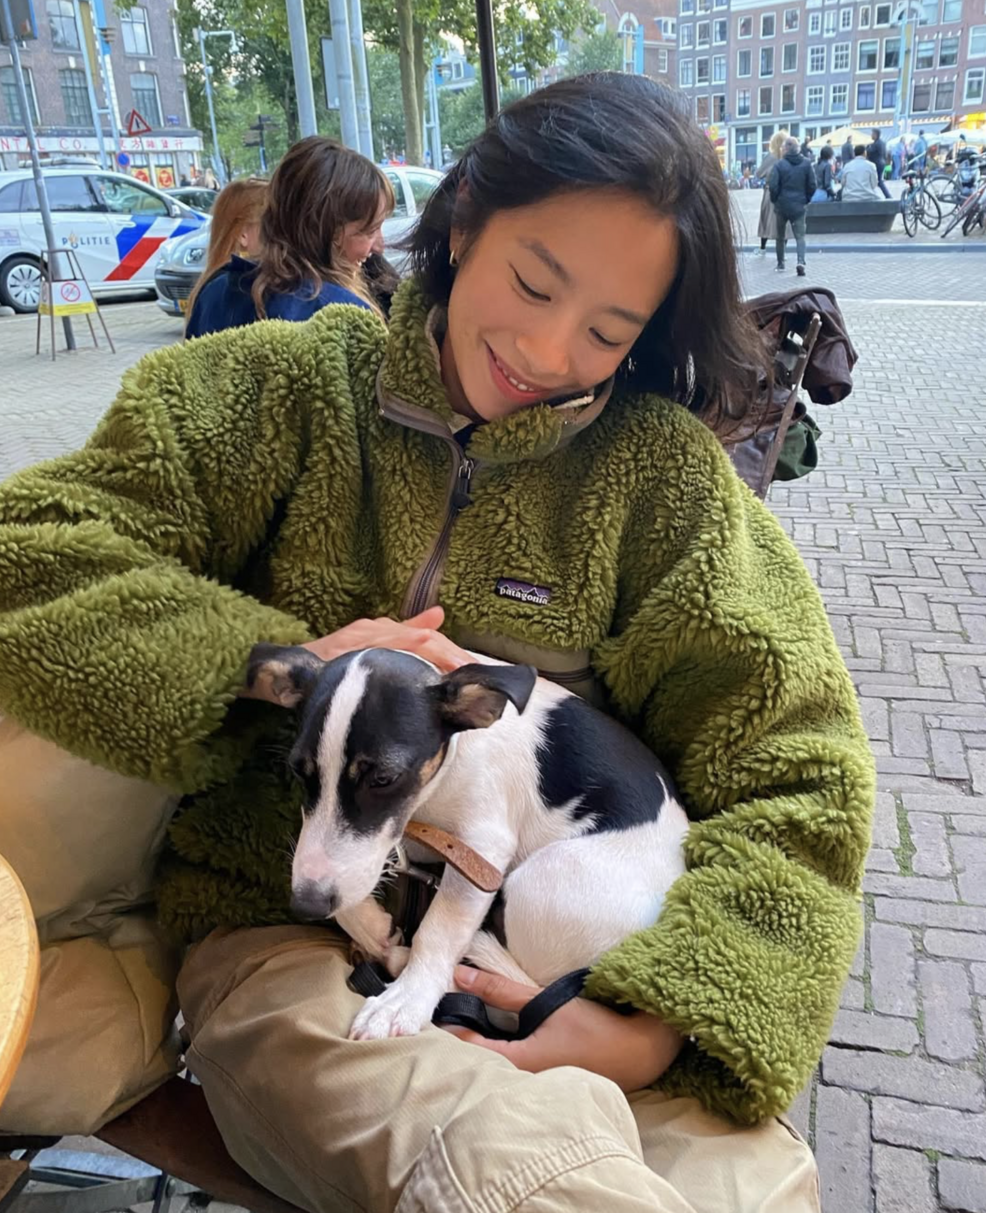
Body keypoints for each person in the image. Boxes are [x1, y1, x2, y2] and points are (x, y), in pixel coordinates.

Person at [0, 74, 874, 1213]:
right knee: (522, 1182)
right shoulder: (283, 390)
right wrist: (269, 667)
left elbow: (801, 774)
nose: (546, 350)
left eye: (608, 331)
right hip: (291, 944)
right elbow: (32, 553)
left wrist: (664, 1017)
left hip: (591, 977)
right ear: (462, 222)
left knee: (745, 1190)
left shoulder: (665, 485)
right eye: (533, 282)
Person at [185, 137, 393, 338]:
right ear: (329, 230)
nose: (379, 246)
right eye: (370, 230)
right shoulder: (346, 317)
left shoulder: (213, 294)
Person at [183, 177, 268, 331]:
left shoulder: (211, 287)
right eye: (270, 222)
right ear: (243, 234)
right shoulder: (236, 289)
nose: (281, 233)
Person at [769, 135, 816, 275]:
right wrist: (806, 199)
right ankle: (801, 261)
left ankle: (780, 264)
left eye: (783, 147)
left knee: (780, 236)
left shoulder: (779, 165)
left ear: (786, 149)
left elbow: (773, 186)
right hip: (799, 205)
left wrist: (775, 200)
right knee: (800, 236)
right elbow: (812, 185)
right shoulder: (806, 164)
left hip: (782, 205)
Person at [754, 128, 789, 256]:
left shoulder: (770, 157)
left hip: (770, 192)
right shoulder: (790, 158)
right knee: (784, 222)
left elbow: (758, 174)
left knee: (766, 219)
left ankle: (762, 248)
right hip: (786, 193)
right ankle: (782, 252)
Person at [867, 128, 891, 198]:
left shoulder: (876, 144)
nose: (871, 135)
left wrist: (867, 148)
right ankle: (887, 196)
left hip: (877, 164)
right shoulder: (882, 143)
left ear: (876, 134)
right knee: (877, 181)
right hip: (881, 163)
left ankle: (887, 196)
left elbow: (870, 152)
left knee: (877, 181)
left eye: (872, 134)